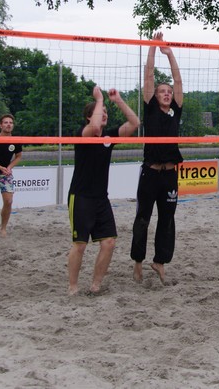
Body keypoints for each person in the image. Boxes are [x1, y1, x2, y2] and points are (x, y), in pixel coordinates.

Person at [67, 85, 140, 295]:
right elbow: (94, 126)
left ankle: (95, 285)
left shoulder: (108, 137)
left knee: (109, 242)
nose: (104, 115)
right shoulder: (82, 134)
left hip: (101, 198)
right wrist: (99, 99)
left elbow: (135, 123)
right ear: (88, 117)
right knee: (80, 244)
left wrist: (118, 100)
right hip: (81, 197)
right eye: (101, 112)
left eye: (106, 112)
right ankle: (73, 287)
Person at [131, 31, 183, 285]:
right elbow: (149, 75)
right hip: (150, 172)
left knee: (167, 219)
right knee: (143, 218)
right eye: (162, 91)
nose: (166, 93)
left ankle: (159, 262)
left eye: (169, 92)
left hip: (170, 174)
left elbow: (178, 80)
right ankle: (138, 262)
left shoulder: (176, 111)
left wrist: (170, 53)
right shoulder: (150, 107)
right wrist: (153, 47)